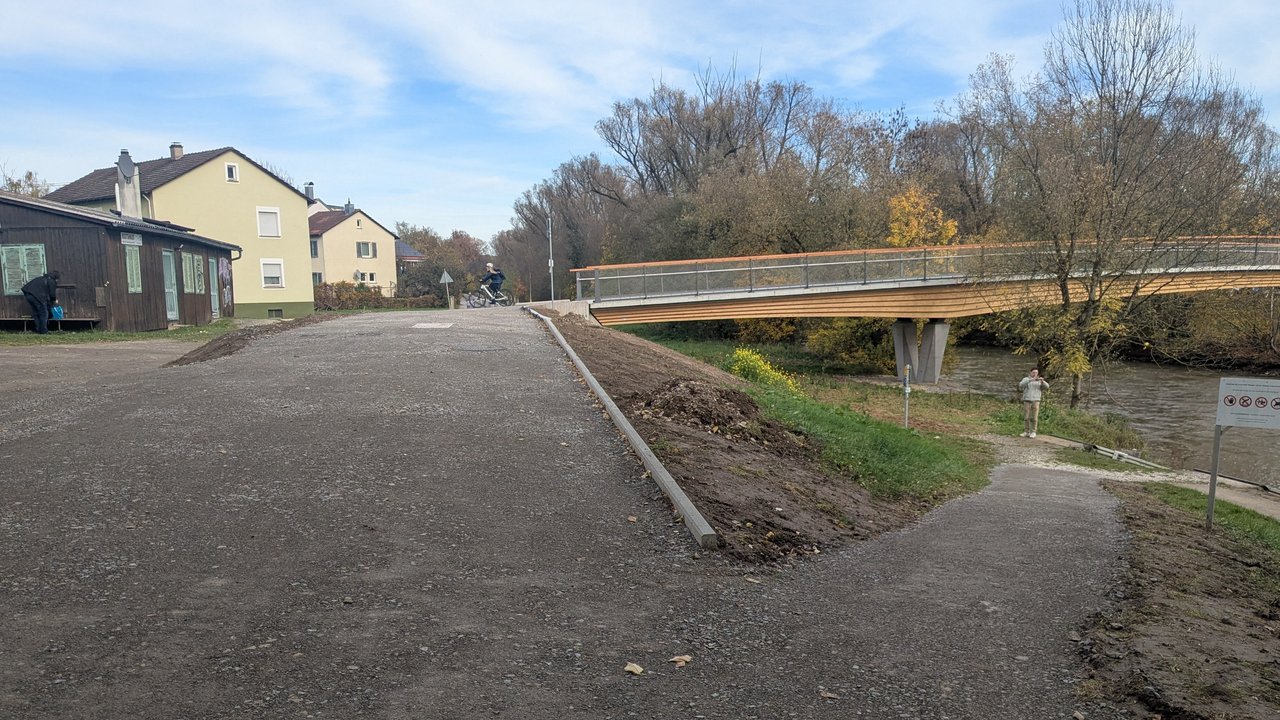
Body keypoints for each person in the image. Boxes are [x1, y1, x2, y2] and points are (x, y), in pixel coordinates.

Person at [21, 269, 60, 335]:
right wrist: (54, 300)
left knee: (36, 313)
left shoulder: (41, 278)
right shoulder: (51, 281)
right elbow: (52, 294)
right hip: (37, 296)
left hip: (28, 295)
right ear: (56, 278)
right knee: (44, 313)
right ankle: (43, 331)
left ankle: (38, 329)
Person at [1018, 367, 1050, 438]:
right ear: (1030, 372)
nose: (1035, 374)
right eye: (1033, 372)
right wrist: (1030, 380)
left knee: (1035, 417)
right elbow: (1020, 385)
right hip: (1027, 400)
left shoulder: (1039, 381)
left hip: (1036, 400)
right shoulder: (1026, 379)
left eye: (1036, 372)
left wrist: (1042, 382)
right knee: (1026, 417)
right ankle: (1026, 431)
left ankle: (1033, 431)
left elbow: (1047, 387)